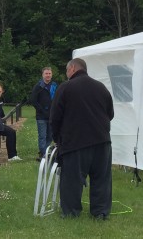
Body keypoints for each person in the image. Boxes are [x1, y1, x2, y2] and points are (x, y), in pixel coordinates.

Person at [50, 58, 114, 219]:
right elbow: (110, 113)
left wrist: (57, 138)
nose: (66, 75)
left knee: (72, 179)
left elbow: (55, 117)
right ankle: (100, 212)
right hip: (102, 140)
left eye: (66, 71)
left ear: (72, 68)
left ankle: (71, 213)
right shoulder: (101, 87)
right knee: (101, 179)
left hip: (76, 141)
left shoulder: (66, 87)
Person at [30, 67, 58, 161]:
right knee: (42, 136)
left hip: (52, 115)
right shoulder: (38, 86)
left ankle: (44, 152)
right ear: (43, 75)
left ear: (52, 74)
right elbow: (33, 100)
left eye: (49, 73)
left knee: (50, 136)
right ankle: (43, 154)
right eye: (46, 73)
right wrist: (42, 110)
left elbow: (57, 99)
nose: (48, 75)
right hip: (41, 116)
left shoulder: (54, 85)